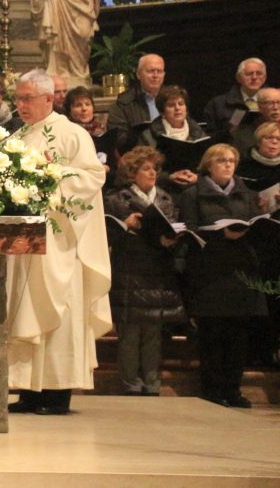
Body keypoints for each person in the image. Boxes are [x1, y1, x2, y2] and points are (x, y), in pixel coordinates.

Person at [5, 69, 113, 415]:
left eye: (28, 99)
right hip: (25, 243)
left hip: (60, 240)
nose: (21, 105)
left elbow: (92, 177)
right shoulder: (17, 136)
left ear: (49, 99)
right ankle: (29, 391)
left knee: (59, 312)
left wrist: (51, 178)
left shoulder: (72, 134)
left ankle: (56, 394)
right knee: (26, 310)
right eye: (18, 99)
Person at [176, 143, 267, 408]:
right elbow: (189, 230)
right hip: (210, 273)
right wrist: (220, 235)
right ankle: (213, 389)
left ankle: (233, 389)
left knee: (238, 336)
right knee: (212, 335)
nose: (228, 165)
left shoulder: (247, 195)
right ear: (209, 165)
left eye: (231, 161)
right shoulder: (193, 194)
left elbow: (257, 227)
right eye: (221, 160)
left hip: (241, 272)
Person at [104, 147, 187, 396]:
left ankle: (152, 383)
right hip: (129, 271)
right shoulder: (117, 199)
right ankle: (131, 382)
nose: (152, 173)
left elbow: (174, 229)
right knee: (130, 333)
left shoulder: (165, 198)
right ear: (133, 172)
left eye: (155, 169)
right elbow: (106, 235)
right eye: (146, 168)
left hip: (158, 271)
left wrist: (171, 241)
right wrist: (125, 225)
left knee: (153, 333)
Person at [236, 121, 280, 367]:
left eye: (278, 139)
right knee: (255, 299)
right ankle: (254, 352)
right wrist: (254, 206)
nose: (274, 143)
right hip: (253, 242)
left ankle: (272, 352)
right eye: (269, 138)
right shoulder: (244, 168)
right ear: (258, 141)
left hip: (277, 243)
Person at [137, 85, 207, 191]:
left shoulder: (200, 133)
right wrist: (168, 178)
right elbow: (141, 170)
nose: (177, 108)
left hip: (195, 187)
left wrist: (198, 177)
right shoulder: (148, 136)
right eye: (171, 105)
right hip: (162, 188)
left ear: (186, 109)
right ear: (162, 112)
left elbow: (208, 167)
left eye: (181, 104)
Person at [107, 53, 166, 146]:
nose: (155, 75)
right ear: (138, 74)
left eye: (159, 71)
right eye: (151, 71)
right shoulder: (123, 103)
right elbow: (118, 139)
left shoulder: (172, 99)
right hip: (139, 153)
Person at [203, 58, 268, 142]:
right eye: (249, 74)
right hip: (231, 148)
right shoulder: (218, 104)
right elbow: (209, 137)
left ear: (265, 77)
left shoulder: (276, 100)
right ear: (238, 78)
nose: (254, 77)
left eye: (259, 73)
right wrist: (233, 125)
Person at [64, 86, 112, 173]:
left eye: (87, 104)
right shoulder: (66, 132)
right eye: (78, 105)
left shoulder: (104, 128)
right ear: (69, 110)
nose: (84, 109)